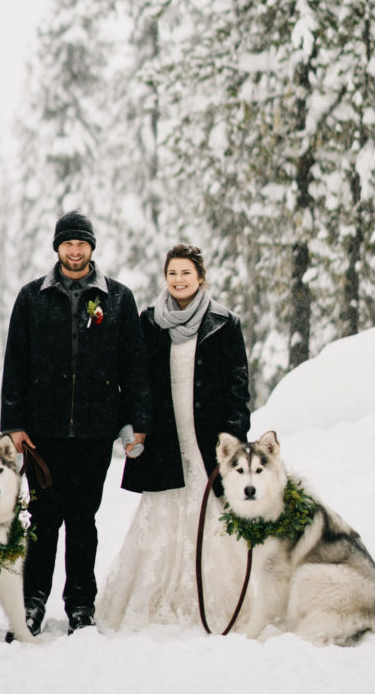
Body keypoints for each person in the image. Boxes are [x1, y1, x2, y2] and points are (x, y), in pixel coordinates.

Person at [0, 211, 152, 636]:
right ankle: (31, 603)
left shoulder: (117, 299)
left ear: (91, 248)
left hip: (94, 432)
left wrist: (136, 421)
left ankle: (81, 605)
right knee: (44, 519)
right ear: (57, 248)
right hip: (43, 435)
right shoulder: (31, 298)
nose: (74, 250)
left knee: (84, 520)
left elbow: (133, 367)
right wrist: (14, 423)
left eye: (81, 243)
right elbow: (15, 363)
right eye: (67, 243)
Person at [96, 243, 252, 632]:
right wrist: (133, 423)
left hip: (208, 441)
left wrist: (234, 438)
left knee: (212, 514)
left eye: (186, 273)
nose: (179, 280)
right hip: (165, 438)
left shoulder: (224, 322)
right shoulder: (149, 322)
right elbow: (135, 379)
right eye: (172, 273)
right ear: (165, 278)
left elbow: (238, 387)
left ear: (200, 277)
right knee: (162, 514)